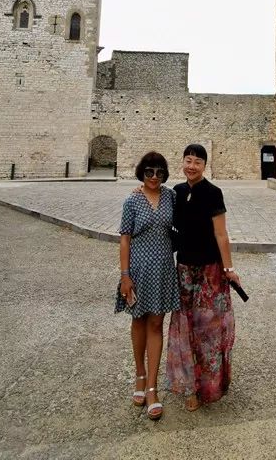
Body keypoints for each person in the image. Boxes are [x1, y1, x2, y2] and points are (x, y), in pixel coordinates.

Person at [166, 143, 240, 410]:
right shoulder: (176, 192)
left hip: (210, 270)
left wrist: (229, 269)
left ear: (204, 166)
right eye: (188, 160)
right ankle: (190, 389)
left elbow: (221, 234)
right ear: (182, 162)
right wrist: (140, 191)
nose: (191, 166)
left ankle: (211, 384)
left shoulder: (213, 193)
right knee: (184, 330)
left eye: (197, 162)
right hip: (184, 270)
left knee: (208, 330)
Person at [115, 151, 180, 420]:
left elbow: (183, 222)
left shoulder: (170, 197)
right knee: (139, 321)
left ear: (164, 175)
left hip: (163, 269)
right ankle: (139, 375)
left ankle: (152, 386)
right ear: (141, 173)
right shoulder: (132, 201)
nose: (154, 177)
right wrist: (125, 275)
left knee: (156, 324)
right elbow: (125, 240)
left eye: (159, 173)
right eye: (149, 172)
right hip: (139, 271)